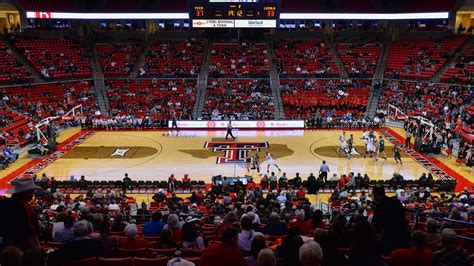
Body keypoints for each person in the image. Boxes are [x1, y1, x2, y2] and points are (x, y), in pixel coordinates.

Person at [0, 178, 41, 251]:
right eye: (31, 192)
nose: (32, 195)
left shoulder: (3, 203)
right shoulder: (26, 207)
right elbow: (31, 233)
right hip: (22, 247)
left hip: (5, 245)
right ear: (25, 193)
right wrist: (38, 250)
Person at [371, 185, 410, 255]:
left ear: (376, 194)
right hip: (404, 237)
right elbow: (405, 215)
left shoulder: (378, 207)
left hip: (390, 240)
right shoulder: (396, 201)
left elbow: (375, 226)